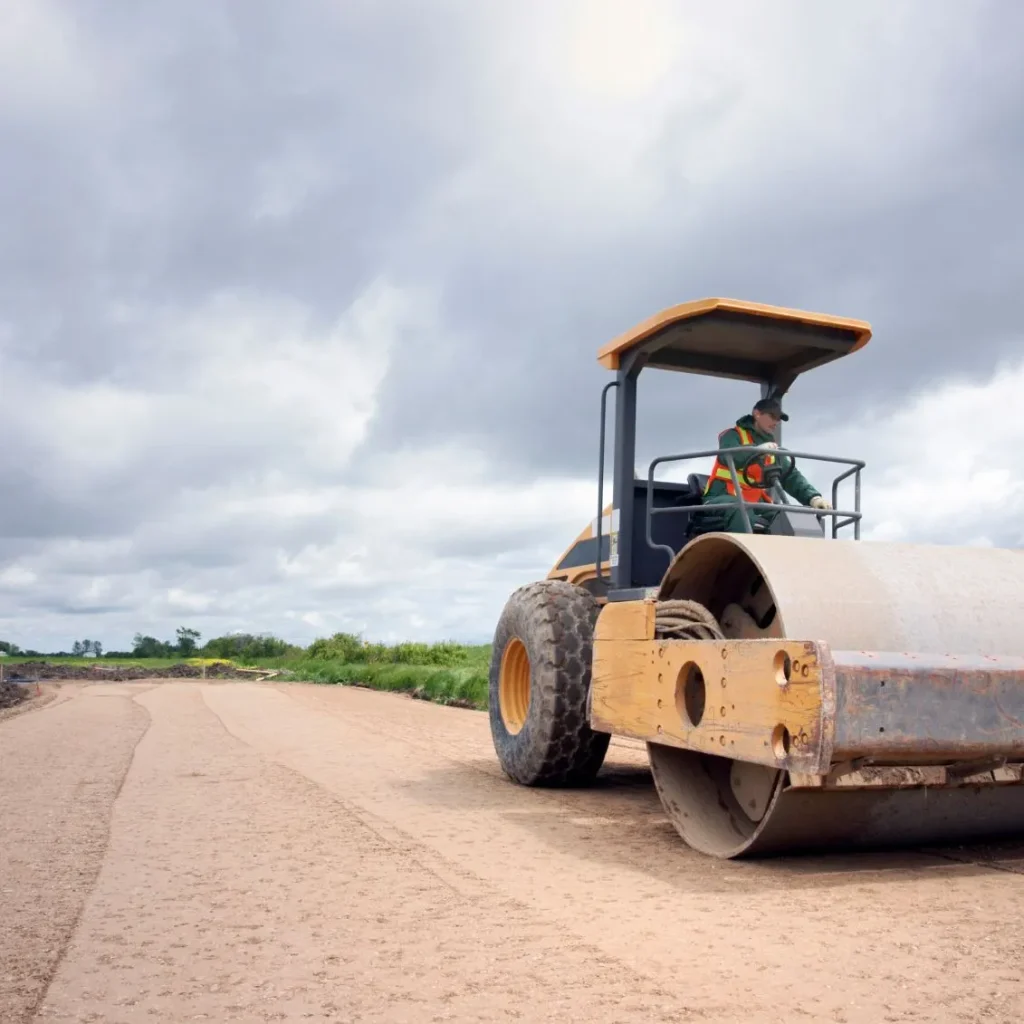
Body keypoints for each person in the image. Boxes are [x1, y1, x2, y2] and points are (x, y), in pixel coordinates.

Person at [701, 396, 831, 533]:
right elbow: (729, 456)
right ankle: (744, 553)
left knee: (788, 515)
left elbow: (790, 477)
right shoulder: (732, 436)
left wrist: (813, 498)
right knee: (740, 509)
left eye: (778, 419)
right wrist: (757, 451)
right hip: (721, 497)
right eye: (772, 416)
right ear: (757, 414)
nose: (776, 422)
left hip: (754, 502)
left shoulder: (771, 449)